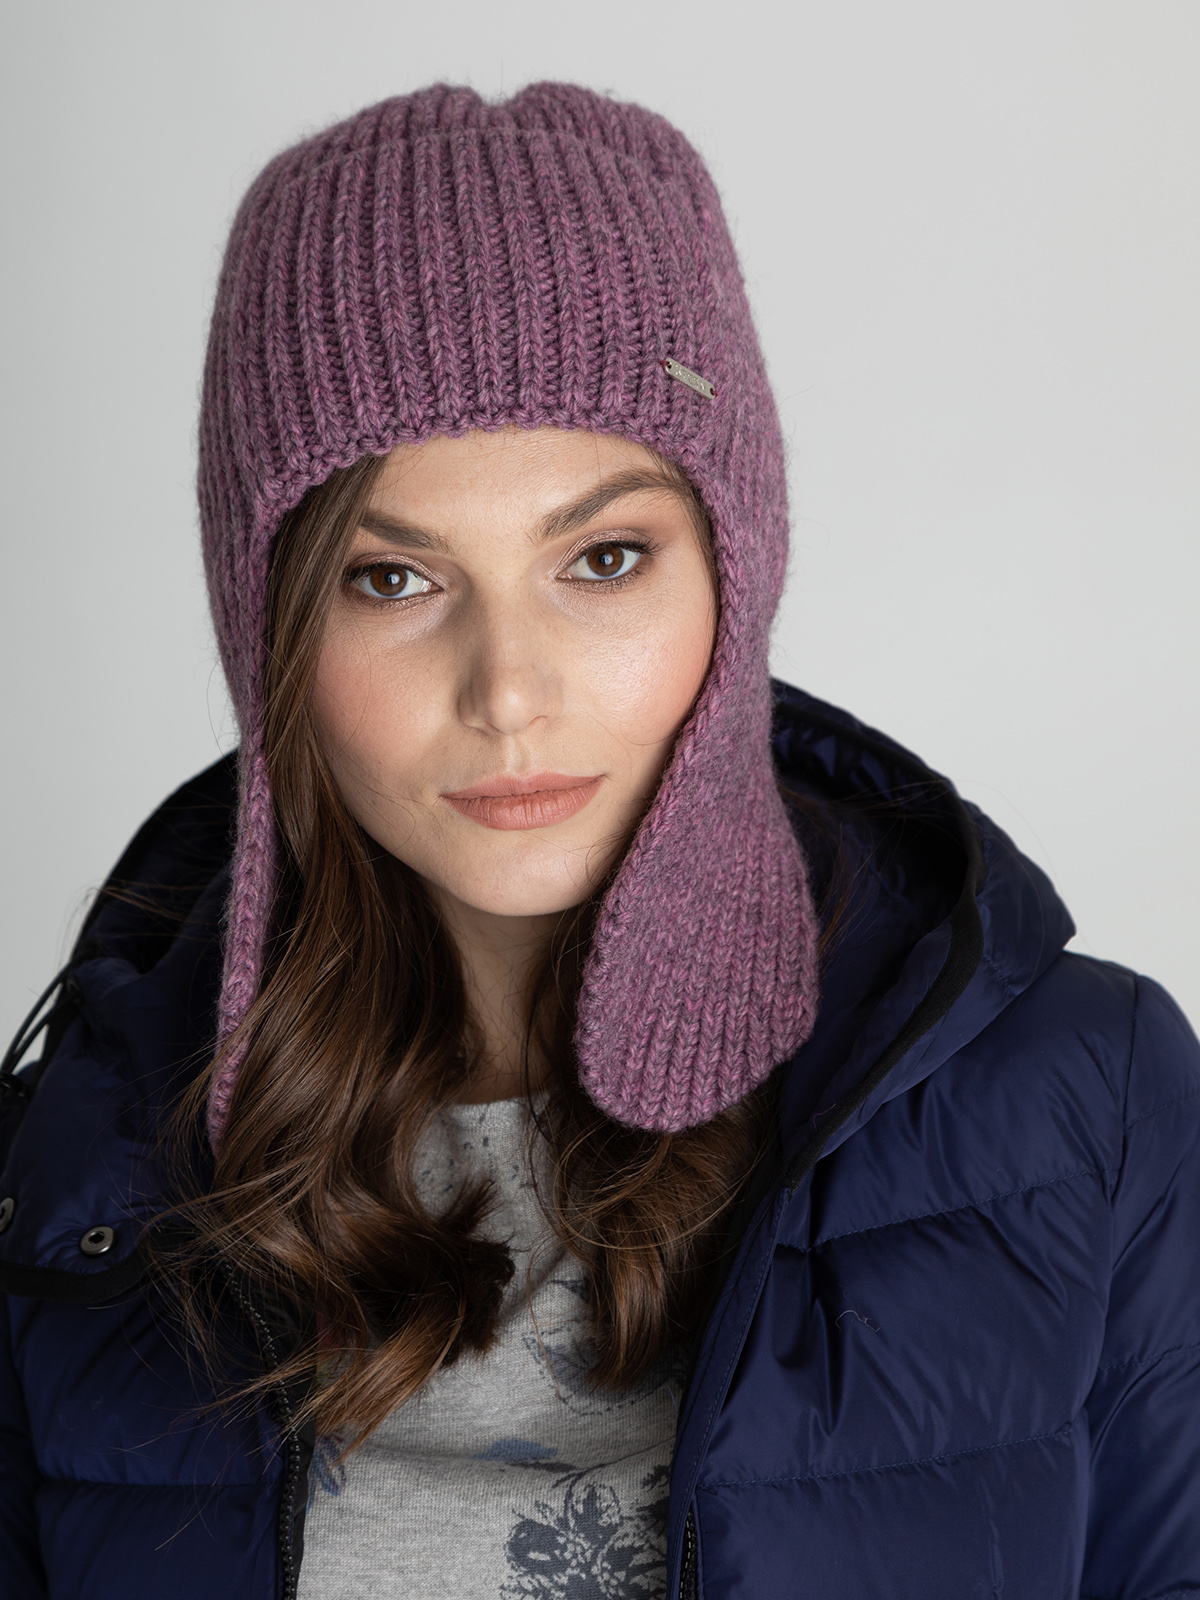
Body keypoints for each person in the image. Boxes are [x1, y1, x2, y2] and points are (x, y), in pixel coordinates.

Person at [1, 81, 1198, 1600]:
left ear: (735, 575)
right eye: (391, 579)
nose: (509, 691)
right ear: (269, 632)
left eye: (605, 557)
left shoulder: (1087, 1103)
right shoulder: (81, 1173)